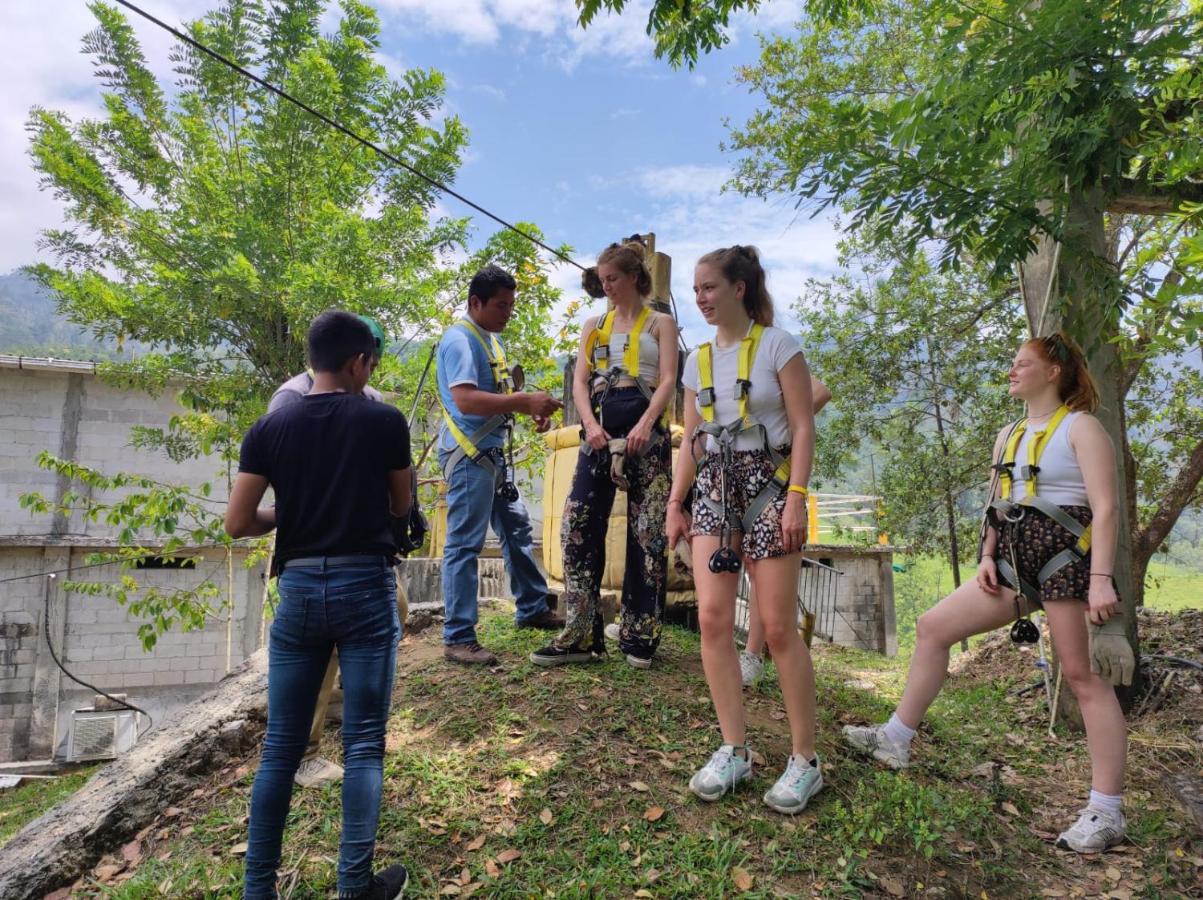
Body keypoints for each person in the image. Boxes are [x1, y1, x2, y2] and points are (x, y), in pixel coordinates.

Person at [843, 332, 1134, 854]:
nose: (1012, 371)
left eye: (1022, 364)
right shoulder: (1009, 434)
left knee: (1082, 678)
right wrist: (985, 555)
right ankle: (896, 738)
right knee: (933, 627)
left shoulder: (1081, 428)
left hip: (1067, 564)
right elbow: (995, 502)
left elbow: (1107, 509)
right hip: (1012, 563)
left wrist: (1100, 580)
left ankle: (1107, 810)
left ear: (1053, 373)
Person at [227, 311, 413, 899]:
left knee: (280, 747)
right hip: (365, 585)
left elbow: (238, 522)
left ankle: (258, 890)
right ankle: (354, 887)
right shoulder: (384, 420)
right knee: (363, 742)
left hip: (300, 589)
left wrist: (293, 511)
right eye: (371, 363)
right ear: (359, 361)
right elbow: (401, 507)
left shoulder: (269, 427)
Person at [667, 245, 822, 815]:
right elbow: (691, 439)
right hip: (713, 487)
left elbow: (803, 427)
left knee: (778, 628)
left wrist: (796, 500)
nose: (701, 298)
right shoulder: (696, 361)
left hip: (770, 487)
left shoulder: (779, 346)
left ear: (739, 288)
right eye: (697, 289)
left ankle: (805, 759)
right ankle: (735, 747)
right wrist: (676, 502)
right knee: (711, 618)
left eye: (710, 287)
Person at [265, 315, 402, 790]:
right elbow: (283, 493)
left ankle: (346, 702)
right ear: (355, 359)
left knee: (398, 608)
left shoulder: (373, 403)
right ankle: (307, 748)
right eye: (370, 360)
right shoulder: (288, 402)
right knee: (320, 652)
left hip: (364, 548)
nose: (372, 370)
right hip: (313, 550)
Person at [530, 241, 679, 669]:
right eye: (602, 279)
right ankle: (580, 632)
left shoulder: (659, 324)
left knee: (646, 532)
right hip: (598, 430)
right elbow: (580, 382)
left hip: (645, 431)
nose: (606, 286)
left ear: (634, 277)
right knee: (578, 522)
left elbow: (668, 379)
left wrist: (647, 424)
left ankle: (639, 633)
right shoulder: (594, 324)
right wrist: (589, 426)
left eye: (612, 278)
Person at [437, 265, 564, 665]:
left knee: (516, 526)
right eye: (501, 305)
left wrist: (527, 410)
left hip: (491, 455)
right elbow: (467, 401)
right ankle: (458, 637)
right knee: (464, 544)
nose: (508, 312)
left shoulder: (490, 341)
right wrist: (524, 402)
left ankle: (531, 607)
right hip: (469, 456)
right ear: (475, 302)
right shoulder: (460, 340)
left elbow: (497, 396)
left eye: (511, 305)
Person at [739, 377, 831, 687]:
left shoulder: (776, 354)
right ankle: (752, 654)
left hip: (777, 480)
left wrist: (780, 423)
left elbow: (819, 391)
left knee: (765, 573)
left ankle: (756, 654)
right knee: (753, 568)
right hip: (740, 476)